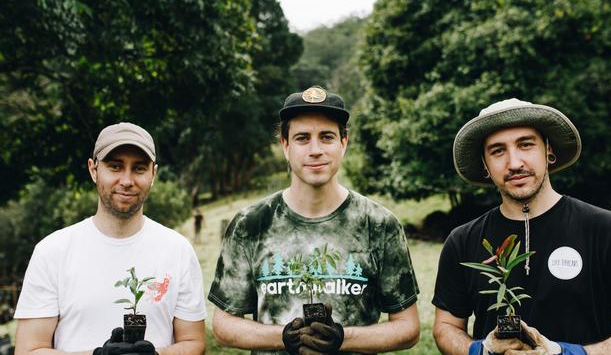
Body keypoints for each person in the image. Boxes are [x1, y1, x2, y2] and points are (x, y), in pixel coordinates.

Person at [208, 86, 420, 354]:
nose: (315, 149)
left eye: (327, 137)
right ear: (285, 146)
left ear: (344, 143)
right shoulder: (250, 223)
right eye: (302, 138)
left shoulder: (379, 224)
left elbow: (408, 326)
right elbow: (224, 324)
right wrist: (284, 337)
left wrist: (343, 338)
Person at [432, 99, 611, 354]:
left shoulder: (607, 230)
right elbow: (445, 326)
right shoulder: (462, 241)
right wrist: (481, 349)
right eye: (497, 150)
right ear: (485, 165)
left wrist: (568, 353)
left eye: (526, 145)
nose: (514, 163)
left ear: (548, 149)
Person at [14, 123, 206, 355]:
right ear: (93, 170)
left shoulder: (178, 250)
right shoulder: (52, 251)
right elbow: (28, 350)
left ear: (153, 174)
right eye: (115, 166)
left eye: (139, 168)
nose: (126, 180)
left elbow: (194, 343)